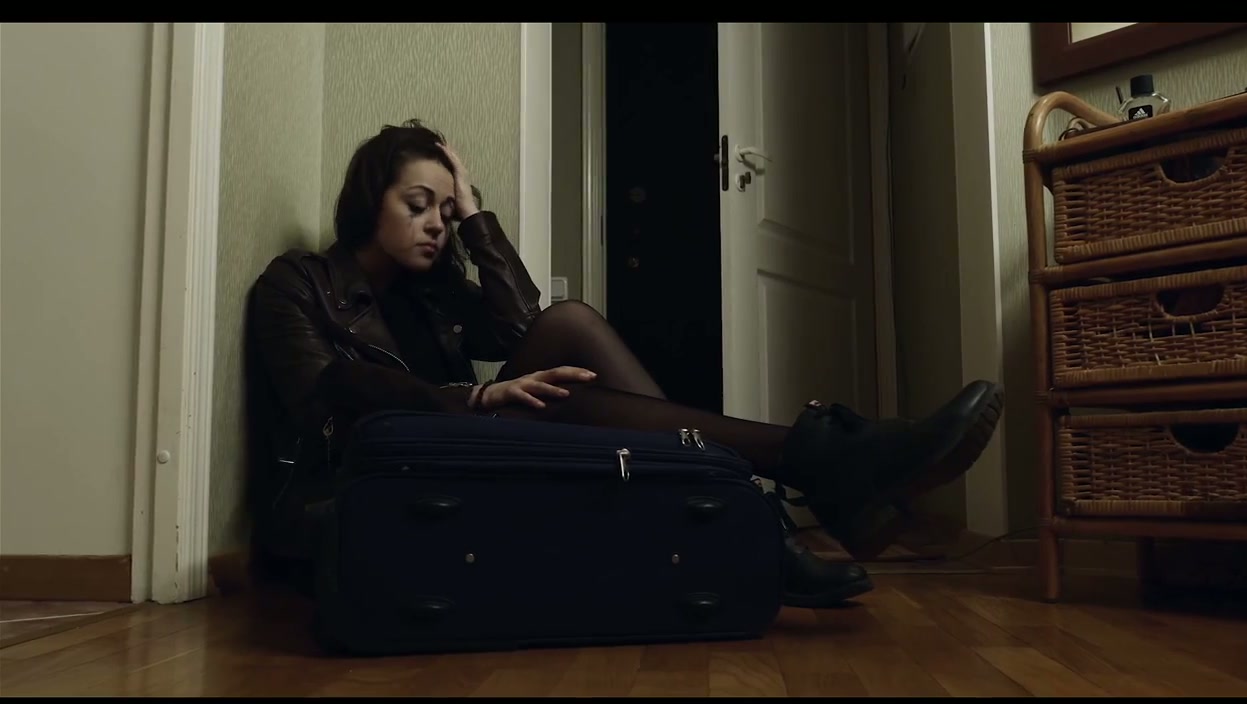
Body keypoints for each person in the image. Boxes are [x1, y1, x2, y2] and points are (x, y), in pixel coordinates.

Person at [247, 119, 1004, 610]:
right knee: (563, 379)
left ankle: (789, 493)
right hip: (366, 483)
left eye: (446, 212)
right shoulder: (299, 284)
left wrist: (476, 214)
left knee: (569, 329)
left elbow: (526, 324)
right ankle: (809, 474)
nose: (435, 226)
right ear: (368, 199)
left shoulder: (432, 295)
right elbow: (329, 392)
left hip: (453, 454)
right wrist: (472, 401)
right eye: (419, 205)